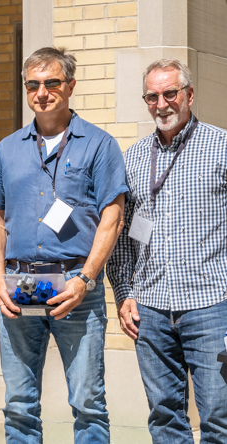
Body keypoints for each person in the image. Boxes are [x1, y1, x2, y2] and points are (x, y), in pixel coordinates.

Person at [0, 46, 128, 443]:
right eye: (33, 84)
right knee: (19, 404)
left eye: (52, 83)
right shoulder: (8, 149)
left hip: (75, 289)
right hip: (18, 287)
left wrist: (85, 279)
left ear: (71, 85)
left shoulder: (99, 145)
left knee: (88, 402)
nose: (42, 92)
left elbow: (112, 217)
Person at [107, 59, 227, 443]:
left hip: (211, 305)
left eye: (170, 93)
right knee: (164, 417)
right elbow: (123, 237)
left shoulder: (221, 146)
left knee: (219, 416)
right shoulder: (135, 157)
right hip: (151, 311)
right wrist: (124, 294)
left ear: (189, 95)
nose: (162, 104)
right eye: (152, 96)